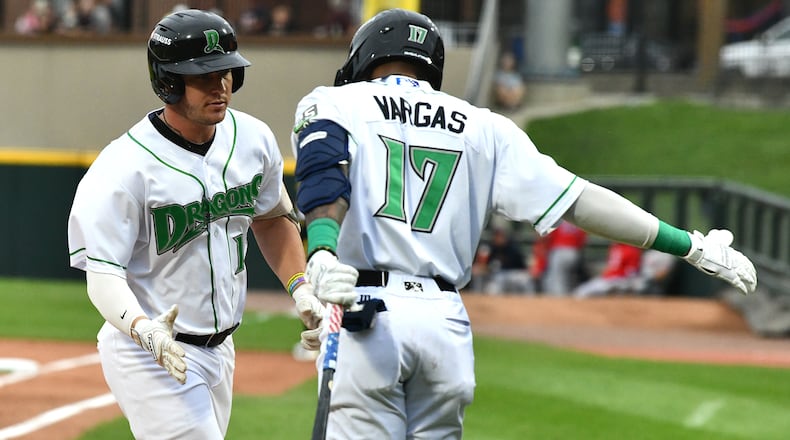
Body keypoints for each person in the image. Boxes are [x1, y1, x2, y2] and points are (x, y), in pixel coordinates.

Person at [291, 8, 756, 439]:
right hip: (445, 324)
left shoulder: (336, 102)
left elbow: (322, 175)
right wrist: (690, 245)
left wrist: (323, 251)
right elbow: (580, 200)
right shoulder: (484, 125)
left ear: (364, 57)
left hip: (363, 310)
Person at [66, 9, 323, 438]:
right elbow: (103, 276)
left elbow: (274, 219)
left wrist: (302, 288)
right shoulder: (123, 167)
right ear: (168, 81)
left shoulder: (253, 139)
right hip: (144, 350)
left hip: (222, 349)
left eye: (226, 73)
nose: (220, 86)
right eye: (203, 76)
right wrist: (144, 330)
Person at [573, 242, 643, 298]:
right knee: (580, 292)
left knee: (581, 292)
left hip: (619, 280)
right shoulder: (615, 246)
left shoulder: (631, 249)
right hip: (608, 279)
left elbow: (632, 273)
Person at [479, 226, 534, 294]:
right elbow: (487, 265)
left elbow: (522, 265)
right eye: (497, 237)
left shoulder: (512, 248)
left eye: (501, 236)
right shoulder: (493, 249)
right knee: (492, 288)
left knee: (526, 279)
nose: (498, 239)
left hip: (515, 273)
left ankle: (531, 300)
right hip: (500, 274)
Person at [540, 220, 588, 295]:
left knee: (557, 280)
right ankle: (567, 299)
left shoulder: (558, 218)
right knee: (568, 280)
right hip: (574, 251)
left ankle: (560, 302)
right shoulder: (577, 220)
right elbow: (583, 240)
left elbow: (548, 236)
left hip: (559, 250)